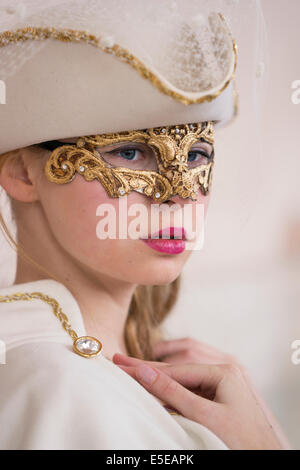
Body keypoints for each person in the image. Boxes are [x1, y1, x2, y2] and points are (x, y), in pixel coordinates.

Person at [0, 0, 290, 450]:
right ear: (22, 173)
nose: (178, 193)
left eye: (196, 155)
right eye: (131, 151)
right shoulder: (60, 389)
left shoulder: (124, 370)